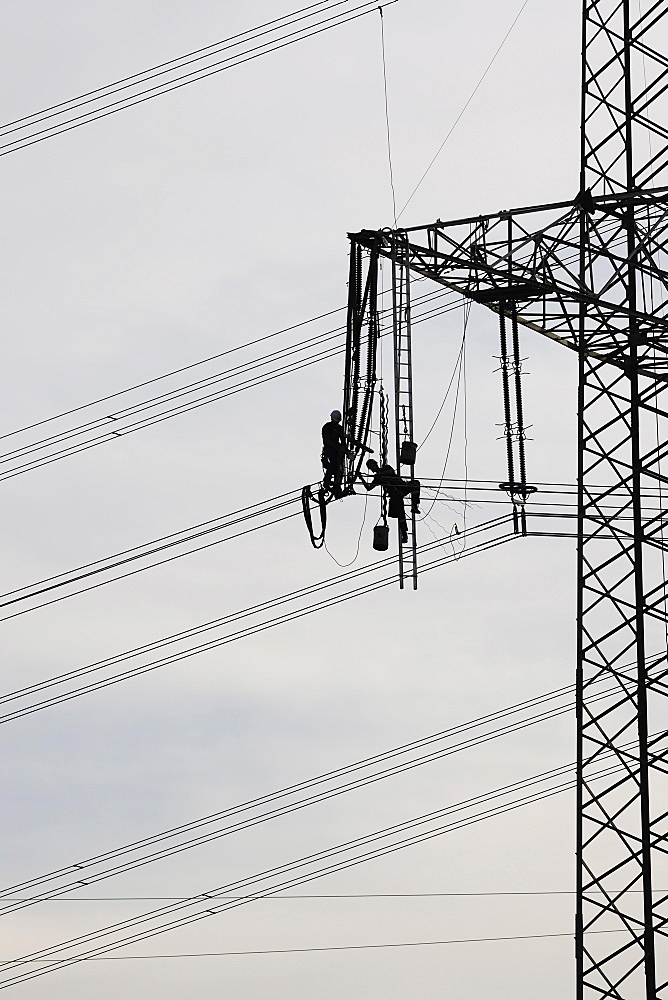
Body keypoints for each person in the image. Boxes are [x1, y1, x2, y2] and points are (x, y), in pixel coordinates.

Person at [358, 458, 420, 544]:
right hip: (395, 495)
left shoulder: (385, 468)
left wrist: (379, 474)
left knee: (415, 484)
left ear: (375, 464)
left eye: (372, 466)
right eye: (370, 468)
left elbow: (391, 471)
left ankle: (414, 505)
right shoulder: (377, 478)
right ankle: (404, 535)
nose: (372, 469)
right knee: (400, 515)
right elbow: (369, 488)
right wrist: (362, 479)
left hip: (401, 486)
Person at [321, 409, 345, 497]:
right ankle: (327, 480)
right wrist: (337, 447)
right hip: (330, 449)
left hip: (336, 449)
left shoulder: (339, 428)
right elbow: (326, 440)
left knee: (339, 467)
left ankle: (336, 485)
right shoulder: (327, 427)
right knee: (334, 462)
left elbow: (343, 440)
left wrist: (343, 447)